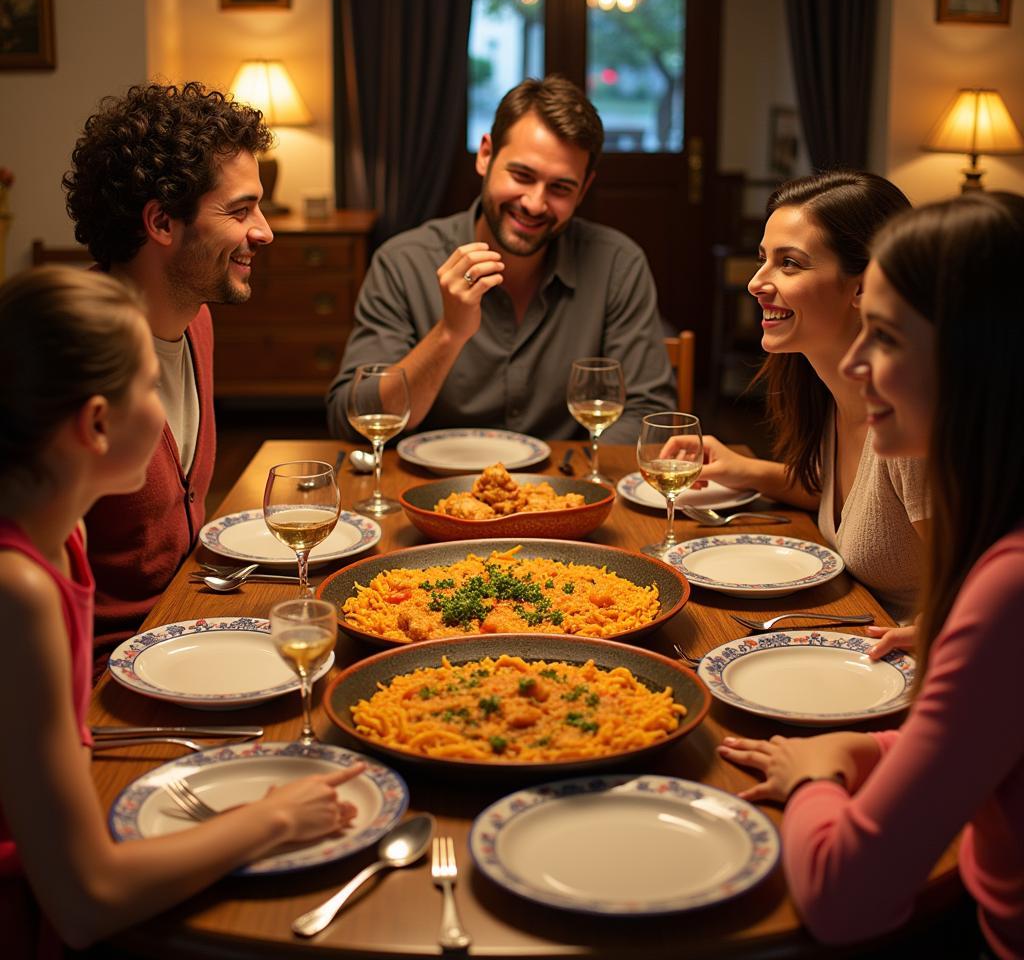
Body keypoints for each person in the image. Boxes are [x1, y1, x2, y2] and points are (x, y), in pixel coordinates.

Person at [0, 267, 364, 955]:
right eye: (147, 386)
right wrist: (272, 819)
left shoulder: (63, 535)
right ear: (97, 425)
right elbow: (87, 899)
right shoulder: (18, 588)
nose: (164, 409)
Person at [718, 192, 1024, 958]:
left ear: (976, 355)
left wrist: (813, 777)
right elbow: (984, 728)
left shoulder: (1006, 591)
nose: (857, 364)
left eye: (884, 337)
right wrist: (866, 751)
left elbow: (843, 898)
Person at [325, 75, 675, 445]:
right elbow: (353, 419)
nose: (535, 204)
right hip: (433, 493)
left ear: (584, 190)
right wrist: (449, 334)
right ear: (486, 155)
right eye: (522, 175)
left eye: (560, 188)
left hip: (564, 492)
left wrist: (575, 483)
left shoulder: (617, 264)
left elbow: (646, 413)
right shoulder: (403, 261)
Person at [62, 81, 274, 653]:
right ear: (161, 222)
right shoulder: (73, 357)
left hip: (190, 622)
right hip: (107, 677)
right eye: (240, 210)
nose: (265, 230)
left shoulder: (196, 319)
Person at [676, 171, 924, 626]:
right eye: (762, 259)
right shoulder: (829, 390)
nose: (756, 282)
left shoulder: (908, 417)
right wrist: (746, 470)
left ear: (864, 285)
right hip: (852, 632)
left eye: (789, 263)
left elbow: (990, 582)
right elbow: (862, 510)